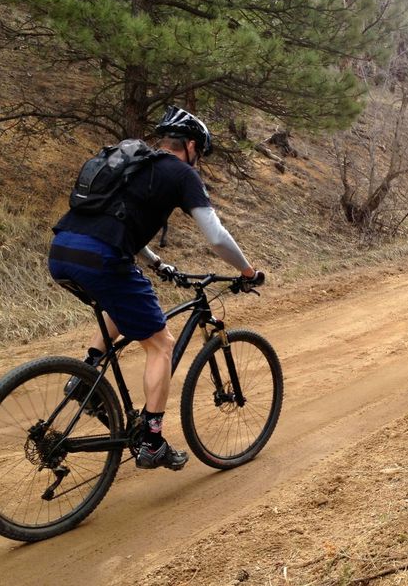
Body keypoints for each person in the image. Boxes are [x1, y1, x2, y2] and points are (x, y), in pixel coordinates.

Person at [48, 105, 260, 471]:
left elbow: (116, 221)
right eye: (201, 155)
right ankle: (152, 440)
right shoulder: (181, 174)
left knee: (121, 302)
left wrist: (157, 264)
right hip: (102, 258)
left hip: (63, 250)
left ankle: (86, 379)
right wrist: (246, 270)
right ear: (191, 146)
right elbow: (216, 237)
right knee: (161, 344)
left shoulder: (134, 163)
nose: (200, 162)